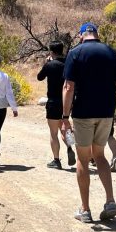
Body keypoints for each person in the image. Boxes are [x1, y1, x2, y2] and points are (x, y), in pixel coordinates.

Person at [61, 22, 116, 223]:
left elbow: (68, 87)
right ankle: (110, 201)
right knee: (100, 156)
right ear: (96, 34)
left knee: (82, 158)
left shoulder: (75, 53)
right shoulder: (110, 52)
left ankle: (85, 209)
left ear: (81, 35)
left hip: (83, 113)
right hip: (106, 113)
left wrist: (65, 118)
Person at [37, 40, 75, 169]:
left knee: (53, 133)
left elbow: (39, 77)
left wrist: (46, 63)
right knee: (64, 128)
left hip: (53, 101)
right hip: (66, 101)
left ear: (51, 52)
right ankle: (70, 146)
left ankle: (56, 160)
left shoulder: (50, 65)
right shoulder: (68, 63)